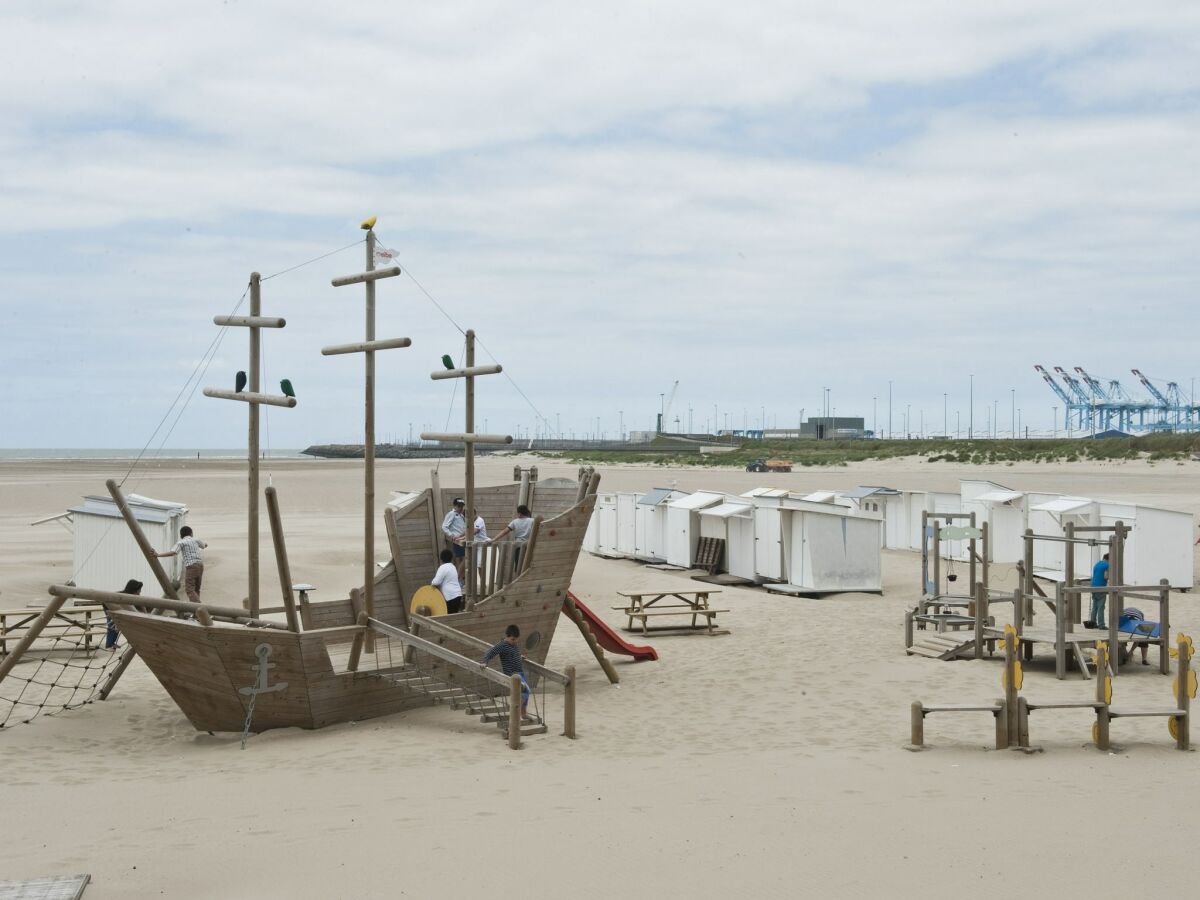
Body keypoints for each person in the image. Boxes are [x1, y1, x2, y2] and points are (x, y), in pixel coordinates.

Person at [479, 624, 531, 721]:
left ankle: (523, 713)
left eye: (516, 639)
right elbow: (490, 653)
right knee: (526, 692)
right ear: (507, 636)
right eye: (512, 639)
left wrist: (520, 657)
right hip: (512, 674)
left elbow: (514, 654)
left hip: (520, 673)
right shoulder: (502, 645)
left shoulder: (514, 645)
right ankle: (516, 713)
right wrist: (484, 662)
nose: (514, 641)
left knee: (524, 694)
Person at [155, 525, 207, 603]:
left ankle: (199, 607)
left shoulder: (181, 542)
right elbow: (204, 545)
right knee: (196, 589)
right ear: (191, 533)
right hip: (200, 565)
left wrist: (158, 555)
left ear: (181, 535)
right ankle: (196, 610)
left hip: (191, 566)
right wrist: (206, 544)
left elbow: (173, 552)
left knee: (189, 589)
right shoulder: (196, 540)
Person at [490, 505, 534, 571]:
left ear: (519, 513)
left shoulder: (515, 522)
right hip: (530, 546)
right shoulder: (532, 521)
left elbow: (505, 531)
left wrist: (494, 539)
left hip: (518, 546)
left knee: (519, 566)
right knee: (528, 566)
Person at [105, 578, 142, 650]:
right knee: (113, 627)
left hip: (117, 611)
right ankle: (109, 645)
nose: (139, 592)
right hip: (111, 609)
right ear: (133, 590)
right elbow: (132, 610)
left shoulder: (130, 596)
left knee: (117, 628)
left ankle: (112, 643)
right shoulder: (124, 596)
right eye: (138, 591)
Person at [431, 548, 464, 614]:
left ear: (441, 559)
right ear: (451, 558)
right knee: (454, 615)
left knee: (448, 616)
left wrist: (432, 583)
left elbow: (436, 582)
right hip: (458, 594)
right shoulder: (453, 567)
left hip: (449, 596)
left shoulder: (442, 567)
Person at [441, 497, 467, 578]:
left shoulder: (461, 515)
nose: (461, 508)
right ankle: (460, 579)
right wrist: (451, 535)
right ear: (454, 506)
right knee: (463, 559)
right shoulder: (452, 514)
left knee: (460, 559)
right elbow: (444, 526)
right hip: (458, 541)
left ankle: (461, 579)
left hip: (461, 540)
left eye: (462, 506)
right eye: (459, 506)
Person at [1086, 553, 1110, 630]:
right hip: (1101, 588)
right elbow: (1106, 577)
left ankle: (1093, 622)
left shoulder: (1097, 564)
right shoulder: (1107, 565)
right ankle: (1101, 625)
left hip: (1093, 587)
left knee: (1095, 606)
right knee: (1101, 607)